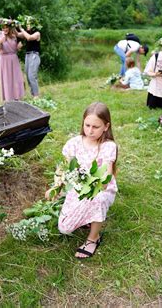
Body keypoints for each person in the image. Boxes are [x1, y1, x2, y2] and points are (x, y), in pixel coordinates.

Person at [46, 102, 118, 259]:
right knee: (65, 228)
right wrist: (56, 186)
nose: (90, 131)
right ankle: (86, 216)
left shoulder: (108, 146)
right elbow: (63, 167)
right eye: (87, 125)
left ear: (106, 126)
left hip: (99, 189)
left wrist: (92, 188)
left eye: (96, 127)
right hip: (77, 189)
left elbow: (105, 178)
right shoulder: (74, 143)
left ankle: (93, 238)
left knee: (97, 199)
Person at [0, 19, 25, 102]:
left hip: (14, 59)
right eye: (3, 28)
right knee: (6, 79)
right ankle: (8, 99)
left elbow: (14, 48)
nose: (5, 29)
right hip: (4, 60)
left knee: (16, 78)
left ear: (9, 28)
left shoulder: (14, 36)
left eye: (6, 27)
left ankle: (17, 97)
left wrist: (18, 48)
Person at [17, 16, 41, 98]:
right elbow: (17, 34)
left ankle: (36, 96)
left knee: (32, 76)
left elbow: (29, 38)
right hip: (27, 56)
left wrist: (21, 29)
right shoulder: (26, 32)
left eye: (29, 24)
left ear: (34, 24)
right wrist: (13, 25)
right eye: (27, 24)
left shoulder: (37, 33)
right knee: (28, 76)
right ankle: (33, 95)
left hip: (34, 55)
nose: (27, 26)